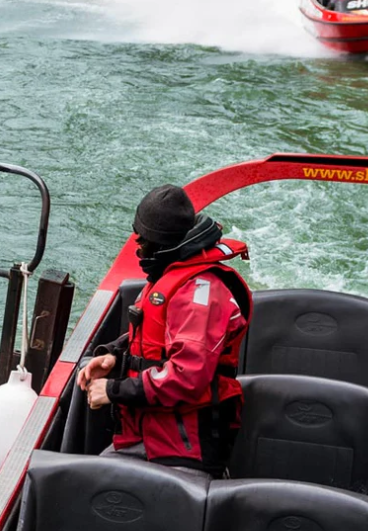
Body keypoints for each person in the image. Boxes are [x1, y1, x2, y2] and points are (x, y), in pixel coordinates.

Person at [77, 185, 252, 476]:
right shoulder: (172, 279)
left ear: (162, 245)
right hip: (145, 437)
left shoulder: (201, 295)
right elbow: (151, 338)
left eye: (144, 242)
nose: (139, 249)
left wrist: (113, 390)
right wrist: (114, 357)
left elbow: (187, 376)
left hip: (185, 448)